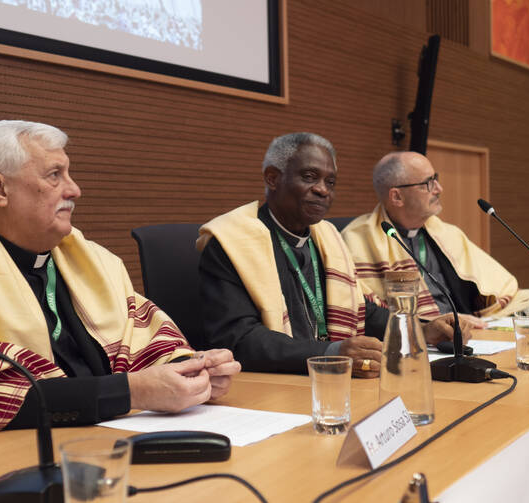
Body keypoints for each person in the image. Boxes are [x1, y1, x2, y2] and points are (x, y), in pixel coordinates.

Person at [0, 120, 240, 455]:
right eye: (55, 175)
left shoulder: (90, 259)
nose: (75, 190)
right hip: (9, 457)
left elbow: (145, 338)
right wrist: (133, 391)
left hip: (108, 440)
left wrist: (190, 371)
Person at [197, 133, 467, 378]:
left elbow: (363, 311)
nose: (323, 190)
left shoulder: (326, 237)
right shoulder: (231, 242)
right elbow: (239, 339)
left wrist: (421, 329)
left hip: (332, 378)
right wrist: (330, 353)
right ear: (272, 178)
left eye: (330, 182)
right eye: (309, 177)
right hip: (273, 382)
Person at [341, 151, 529, 321]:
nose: (439, 189)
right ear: (397, 196)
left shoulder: (446, 234)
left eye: (436, 179)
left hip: (472, 336)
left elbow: (498, 293)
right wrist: (434, 324)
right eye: (428, 184)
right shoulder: (356, 241)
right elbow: (363, 312)